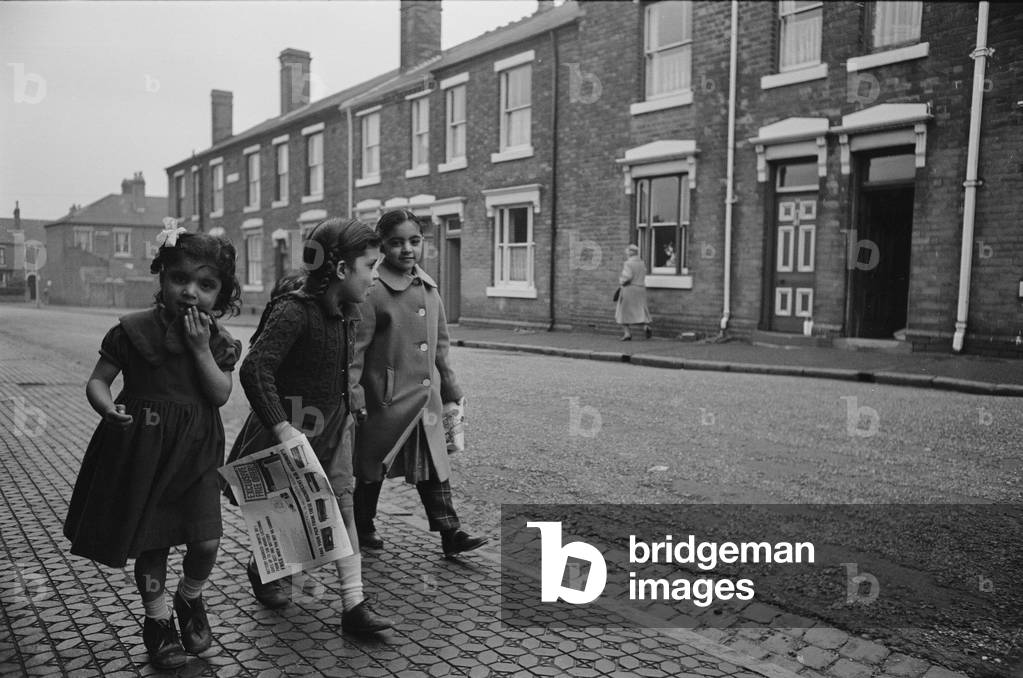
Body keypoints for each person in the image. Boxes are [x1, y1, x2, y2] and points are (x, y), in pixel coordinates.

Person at [64, 223, 243, 670]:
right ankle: (158, 622)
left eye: (206, 285)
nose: (190, 292)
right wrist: (107, 408)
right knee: (154, 544)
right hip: (143, 452)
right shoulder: (131, 331)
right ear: (161, 278)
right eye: (178, 279)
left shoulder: (217, 340)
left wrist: (201, 349)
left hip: (197, 454)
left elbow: (220, 394)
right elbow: (99, 381)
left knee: (206, 539)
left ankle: (190, 598)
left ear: (220, 294)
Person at [225, 217, 393, 635]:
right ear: (340, 270)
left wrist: (353, 403)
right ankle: (264, 570)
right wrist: (281, 427)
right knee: (292, 519)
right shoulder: (294, 312)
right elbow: (256, 368)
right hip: (290, 434)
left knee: (342, 510)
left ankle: (354, 606)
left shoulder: (348, 313)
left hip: (334, 432)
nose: (375, 277)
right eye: (370, 266)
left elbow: (341, 369)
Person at [350, 209, 488, 558]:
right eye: (396, 243)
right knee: (372, 469)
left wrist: (451, 387)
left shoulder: (429, 286)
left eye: (414, 241)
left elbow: (441, 345)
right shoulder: (373, 290)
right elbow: (357, 351)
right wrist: (356, 395)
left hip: (425, 400)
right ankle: (362, 524)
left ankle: (450, 533)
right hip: (385, 401)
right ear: (381, 245)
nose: (407, 249)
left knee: (434, 466)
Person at [616, 243, 652, 341]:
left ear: (630, 252)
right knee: (640, 309)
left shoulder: (628, 263)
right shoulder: (642, 263)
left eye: (627, 251)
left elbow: (627, 277)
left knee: (623, 311)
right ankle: (646, 326)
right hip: (640, 288)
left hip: (629, 289)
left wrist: (621, 281)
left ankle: (627, 333)